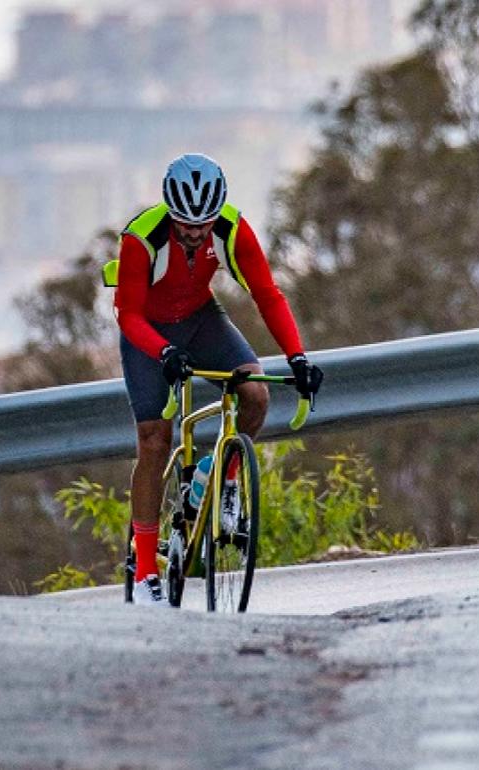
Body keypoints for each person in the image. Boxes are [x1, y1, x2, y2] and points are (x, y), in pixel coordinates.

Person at [111, 152, 323, 606]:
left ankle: (220, 477)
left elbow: (267, 294)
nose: (194, 233)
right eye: (186, 225)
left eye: (203, 224)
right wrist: (163, 352)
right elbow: (127, 314)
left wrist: (298, 357)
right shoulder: (142, 238)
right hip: (147, 332)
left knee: (255, 394)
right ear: (171, 214)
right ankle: (145, 565)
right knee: (153, 439)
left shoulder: (231, 229)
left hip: (201, 320)